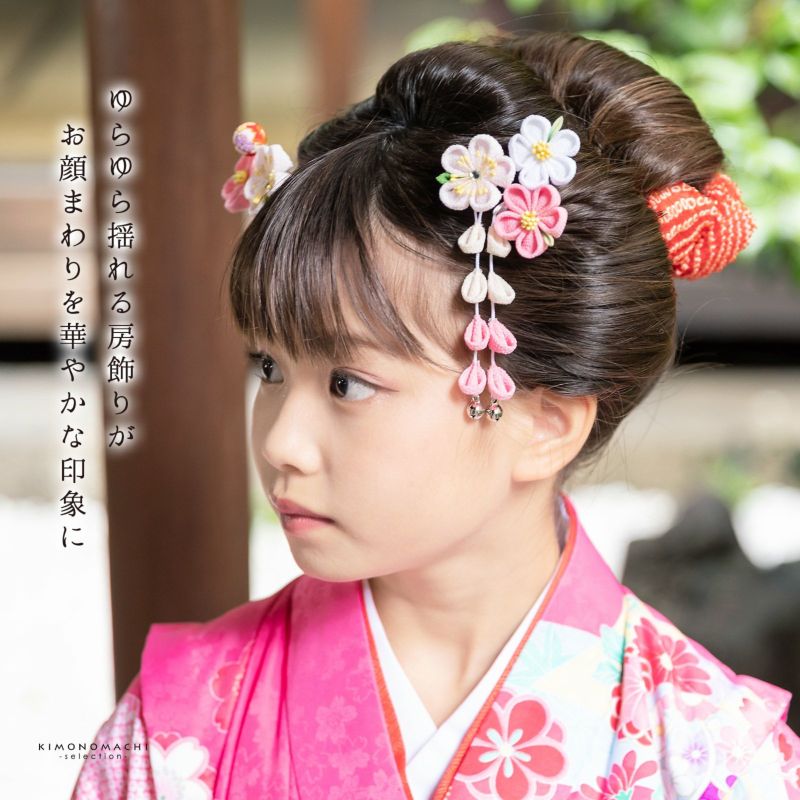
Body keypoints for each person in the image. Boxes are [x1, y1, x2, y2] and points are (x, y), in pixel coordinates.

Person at [71, 29, 800, 800]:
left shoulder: (711, 754)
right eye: (272, 367)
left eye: (347, 383)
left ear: (545, 422)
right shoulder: (175, 726)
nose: (282, 441)